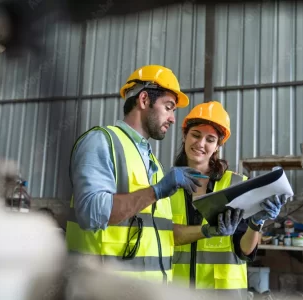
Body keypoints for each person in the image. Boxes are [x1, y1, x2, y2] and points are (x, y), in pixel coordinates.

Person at [65, 64, 204, 284]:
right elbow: (90, 212)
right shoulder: (102, 142)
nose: (173, 119)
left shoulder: (153, 163)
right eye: (168, 107)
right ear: (144, 100)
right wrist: (156, 191)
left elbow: (161, 232)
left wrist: (209, 230)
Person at [170, 101, 287, 299]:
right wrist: (208, 230)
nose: (200, 144)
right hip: (176, 292)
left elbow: (245, 250)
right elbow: (164, 235)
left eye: (210, 139)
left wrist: (256, 222)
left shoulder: (235, 184)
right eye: (196, 135)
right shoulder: (167, 184)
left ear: (217, 146)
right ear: (185, 136)